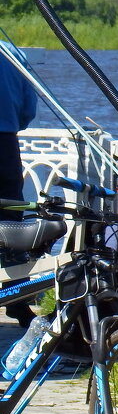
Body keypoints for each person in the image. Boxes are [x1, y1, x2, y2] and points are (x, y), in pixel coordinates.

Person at [0, 43, 38, 328]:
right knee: (12, 224)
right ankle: (16, 298)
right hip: (6, 147)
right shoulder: (12, 53)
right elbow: (28, 109)